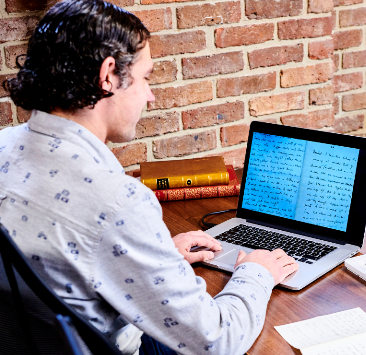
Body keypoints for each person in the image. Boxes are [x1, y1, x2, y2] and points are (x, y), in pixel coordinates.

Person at [0, 1, 298, 354]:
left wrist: (150, 258)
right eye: (145, 78)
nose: (150, 96)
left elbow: (56, 257)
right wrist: (257, 273)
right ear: (108, 75)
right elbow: (216, 341)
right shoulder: (117, 201)